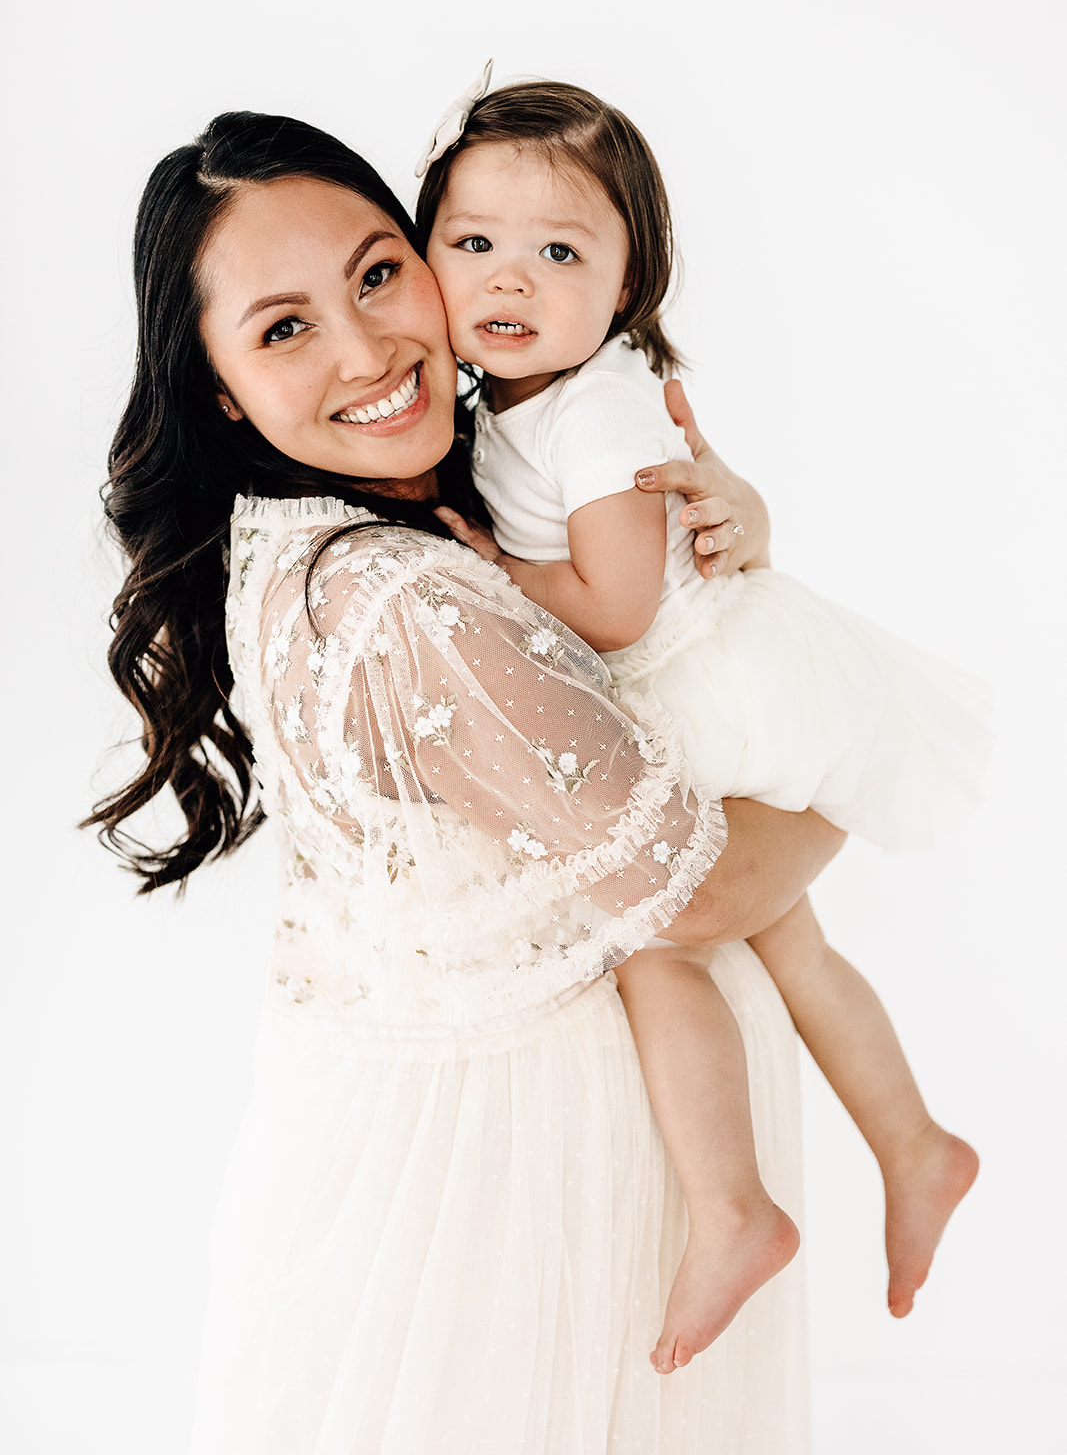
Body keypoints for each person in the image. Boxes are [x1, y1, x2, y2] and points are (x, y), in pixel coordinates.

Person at [84, 110, 846, 1454]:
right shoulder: (411, 597)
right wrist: (850, 766)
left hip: (402, 1158)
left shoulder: (307, 536)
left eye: (380, 274)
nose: (371, 350)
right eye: (284, 329)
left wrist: (712, 527)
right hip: (499, 1196)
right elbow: (696, 882)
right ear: (214, 386)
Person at [415, 76, 988, 1373]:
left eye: (561, 251)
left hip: (707, 687)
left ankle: (733, 1210)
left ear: (625, 289)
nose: (512, 276)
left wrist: (488, 577)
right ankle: (915, 1146)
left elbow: (615, 605)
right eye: (475, 242)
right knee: (790, 941)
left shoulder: (601, 404)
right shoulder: (495, 395)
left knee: (654, 942)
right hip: (705, 689)